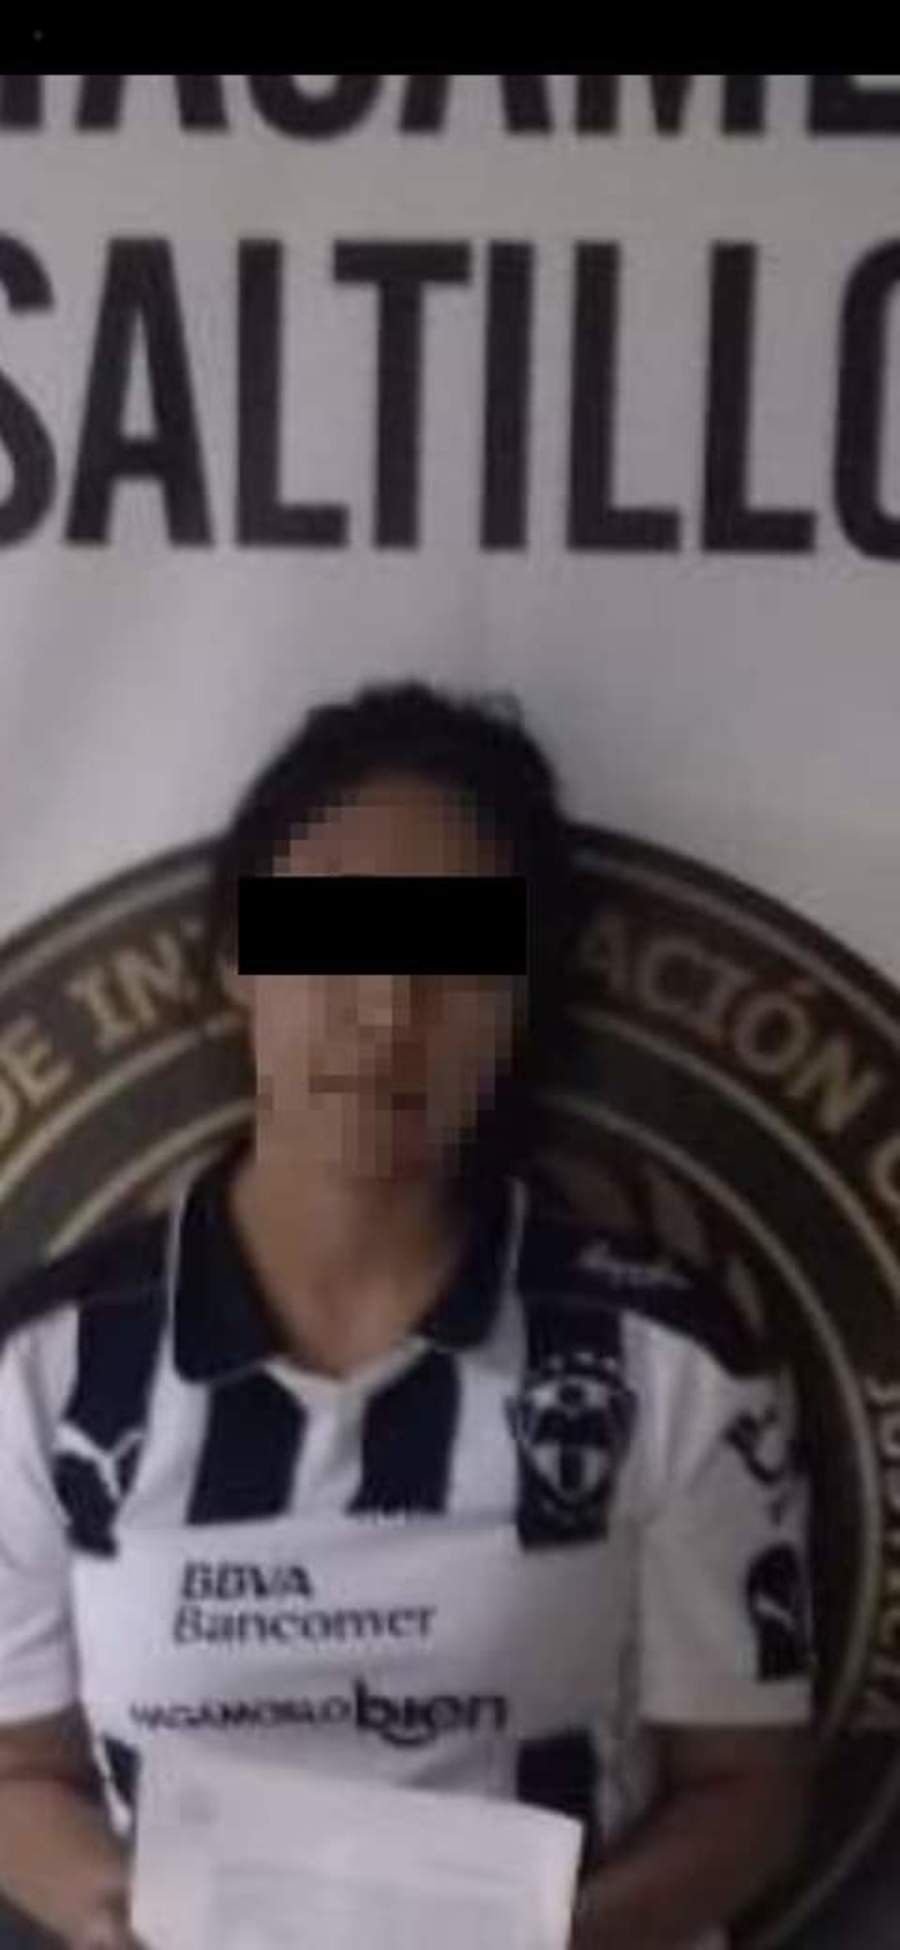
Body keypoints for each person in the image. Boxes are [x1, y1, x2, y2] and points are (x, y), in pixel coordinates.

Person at [0, 681, 813, 1950]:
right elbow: (17, 1768)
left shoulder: (674, 1360)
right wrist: (115, 1922)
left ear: (521, 995)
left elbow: (746, 1790)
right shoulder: (41, 1371)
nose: (385, 1007)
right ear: (237, 957)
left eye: (455, 951)